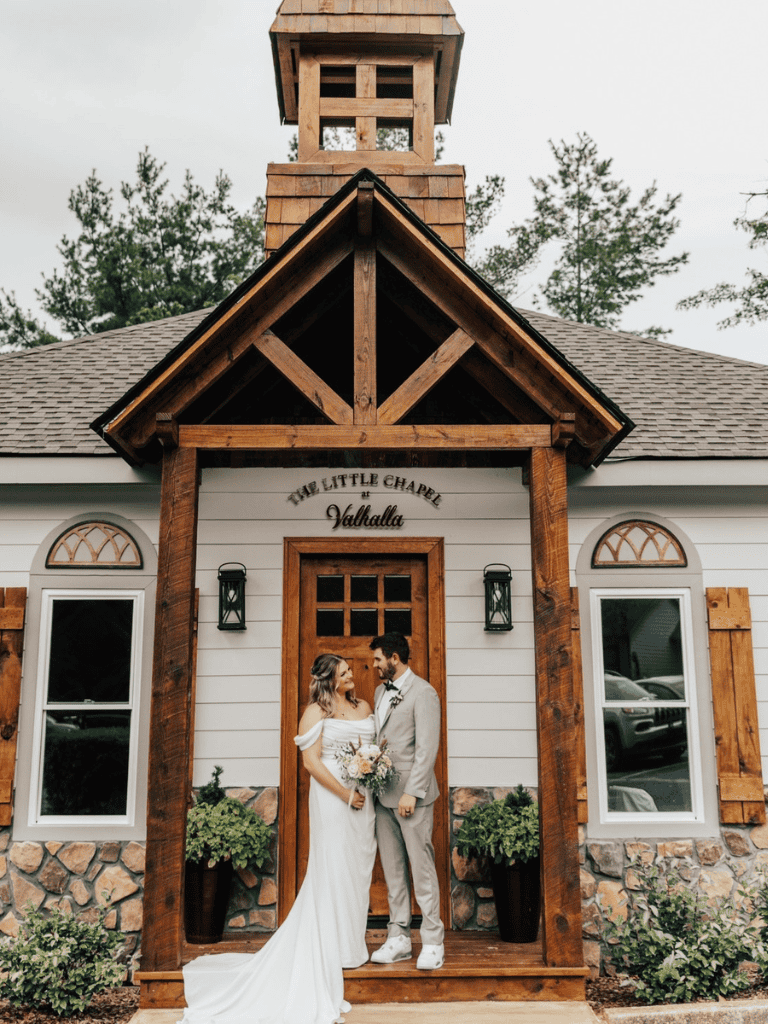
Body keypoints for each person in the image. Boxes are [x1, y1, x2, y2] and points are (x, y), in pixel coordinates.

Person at [180, 654, 377, 1024]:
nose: (353, 675)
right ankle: (330, 949)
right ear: (329, 679)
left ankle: (353, 944)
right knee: (333, 866)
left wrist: (371, 772)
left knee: (358, 867)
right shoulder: (315, 711)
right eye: (345, 672)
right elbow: (311, 763)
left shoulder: (364, 705)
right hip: (335, 798)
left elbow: (373, 747)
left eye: (350, 671)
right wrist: (346, 794)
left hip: (364, 796)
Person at [369, 631, 445, 971]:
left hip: (411, 798)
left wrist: (412, 793)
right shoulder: (378, 692)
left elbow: (427, 748)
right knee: (394, 870)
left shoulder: (424, 693)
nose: (373, 665)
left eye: (377, 659)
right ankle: (399, 937)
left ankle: (432, 940)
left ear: (395, 658)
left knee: (421, 867)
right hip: (382, 794)